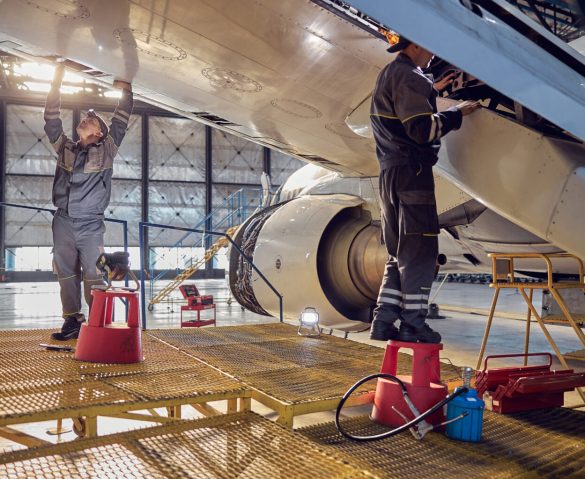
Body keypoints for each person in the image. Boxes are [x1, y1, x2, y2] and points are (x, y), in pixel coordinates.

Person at [369, 36, 480, 343]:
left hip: (390, 175)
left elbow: (399, 113)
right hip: (413, 175)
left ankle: (383, 322)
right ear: (414, 45)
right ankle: (414, 324)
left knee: (398, 253)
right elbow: (422, 130)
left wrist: (433, 90)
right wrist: (458, 113)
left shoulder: (390, 74)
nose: (433, 54)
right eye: (430, 47)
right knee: (420, 253)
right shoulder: (410, 77)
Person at [44, 63, 133, 340]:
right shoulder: (65, 149)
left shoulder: (107, 150)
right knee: (66, 274)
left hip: (91, 224)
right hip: (63, 221)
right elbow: (51, 120)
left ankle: (98, 325)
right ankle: (73, 321)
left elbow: (120, 120)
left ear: (100, 133)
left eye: (91, 120)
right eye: (84, 118)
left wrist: (125, 91)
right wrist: (56, 83)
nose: (84, 120)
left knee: (93, 275)